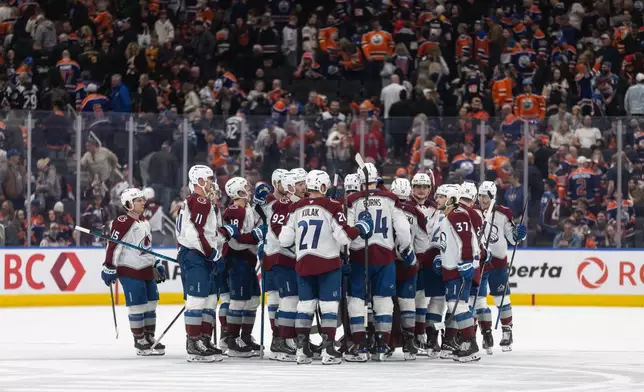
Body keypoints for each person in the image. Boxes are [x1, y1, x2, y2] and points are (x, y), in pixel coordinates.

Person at [279, 169, 374, 365]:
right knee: (328, 307)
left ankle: (302, 350)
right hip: (328, 262)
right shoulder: (331, 206)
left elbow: (284, 239)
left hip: (303, 262)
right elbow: (344, 236)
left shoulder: (295, 207)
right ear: (323, 187)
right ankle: (328, 349)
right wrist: (361, 228)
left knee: (305, 306)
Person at [346, 163, 412, 362]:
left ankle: (359, 344)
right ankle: (383, 343)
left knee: (356, 299)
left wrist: (345, 253)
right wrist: (404, 248)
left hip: (359, 255)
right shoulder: (390, 199)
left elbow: (348, 230)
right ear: (377, 179)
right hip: (385, 256)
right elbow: (402, 229)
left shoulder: (353, 200)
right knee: (383, 300)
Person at [175, 165, 237, 362]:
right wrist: (212, 254)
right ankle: (194, 344)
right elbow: (195, 232)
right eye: (209, 179)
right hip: (196, 255)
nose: (212, 182)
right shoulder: (199, 200)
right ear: (200, 181)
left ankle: (203, 339)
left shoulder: (202, 202)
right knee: (197, 300)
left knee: (210, 299)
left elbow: (208, 233)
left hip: (201, 254)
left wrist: (223, 235)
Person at [101, 188, 167, 357]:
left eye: (142, 199)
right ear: (129, 204)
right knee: (137, 305)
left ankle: (149, 337)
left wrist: (156, 263)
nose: (143, 202)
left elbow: (147, 247)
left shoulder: (144, 222)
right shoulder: (122, 222)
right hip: (130, 270)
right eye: (138, 200)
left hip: (146, 269)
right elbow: (113, 246)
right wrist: (109, 266)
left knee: (152, 303)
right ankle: (139, 340)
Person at [431, 184, 482, 363]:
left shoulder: (458, 214)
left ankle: (470, 343)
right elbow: (449, 244)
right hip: (453, 269)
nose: (437, 200)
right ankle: (465, 342)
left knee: (458, 305)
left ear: (451, 199)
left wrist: (467, 261)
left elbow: (466, 240)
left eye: (441, 197)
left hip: (459, 269)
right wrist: (441, 259)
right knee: (455, 305)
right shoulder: (447, 216)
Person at [477, 181, 527, 353]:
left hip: (498, 263)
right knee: (479, 301)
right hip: (480, 264)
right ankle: (486, 333)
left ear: (492, 197)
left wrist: (518, 234)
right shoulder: (473, 213)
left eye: (485, 196)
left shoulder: (502, 214)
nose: (482, 199)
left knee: (502, 299)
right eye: (480, 195)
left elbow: (512, 239)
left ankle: (507, 332)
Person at [222, 177, 266, 357]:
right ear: (237, 191)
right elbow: (235, 241)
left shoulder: (247, 209)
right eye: (245, 187)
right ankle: (232, 340)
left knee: (254, 299)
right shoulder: (234, 210)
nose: (248, 189)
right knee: (238, 301)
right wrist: (255, 237)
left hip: (248, 259)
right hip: (236, 259)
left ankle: (245, 337)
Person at [390, 177, 428, 360]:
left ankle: (383, 341)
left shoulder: (386, 208)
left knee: (383, 303)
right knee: (407, 303)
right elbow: (422, 243)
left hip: (386, 263)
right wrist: (417, 260)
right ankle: (408, 342)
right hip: (408, 263)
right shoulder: (416, 213)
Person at [255, 169, 287, 357]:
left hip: (287, 253)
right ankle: (277, 337)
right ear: (276, 183)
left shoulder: (286, 201)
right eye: (284, 183)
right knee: (275, 297)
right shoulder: (265, 202)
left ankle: (287, 336)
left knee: (288, 299)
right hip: (270, 252)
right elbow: (255, 224)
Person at [409, 172, 441, 356]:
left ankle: (426, 336)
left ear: (430, 189)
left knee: (431, 299)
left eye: (425, 187)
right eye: (418, 186)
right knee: (414, 300)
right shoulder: (405, 206)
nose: (421, 190)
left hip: (429, 260)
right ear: (412, 188)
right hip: (411, 260)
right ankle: (414, 335)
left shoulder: (433, 208)